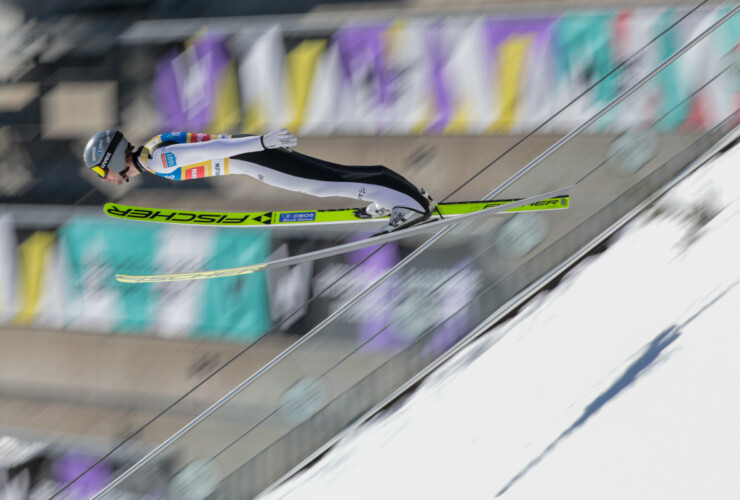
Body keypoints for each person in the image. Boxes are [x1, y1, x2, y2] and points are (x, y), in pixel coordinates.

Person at [83, 129, 435, 233]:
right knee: (330, 176)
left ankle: (410, 205)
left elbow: (218, 147)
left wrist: (261, 144)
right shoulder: (152, 151)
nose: (109, 179)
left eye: (103, 171)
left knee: (323, 184)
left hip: (250, 156)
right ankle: (399, 196)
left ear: (112, 159)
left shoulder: (158, 159)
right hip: (250, 157)